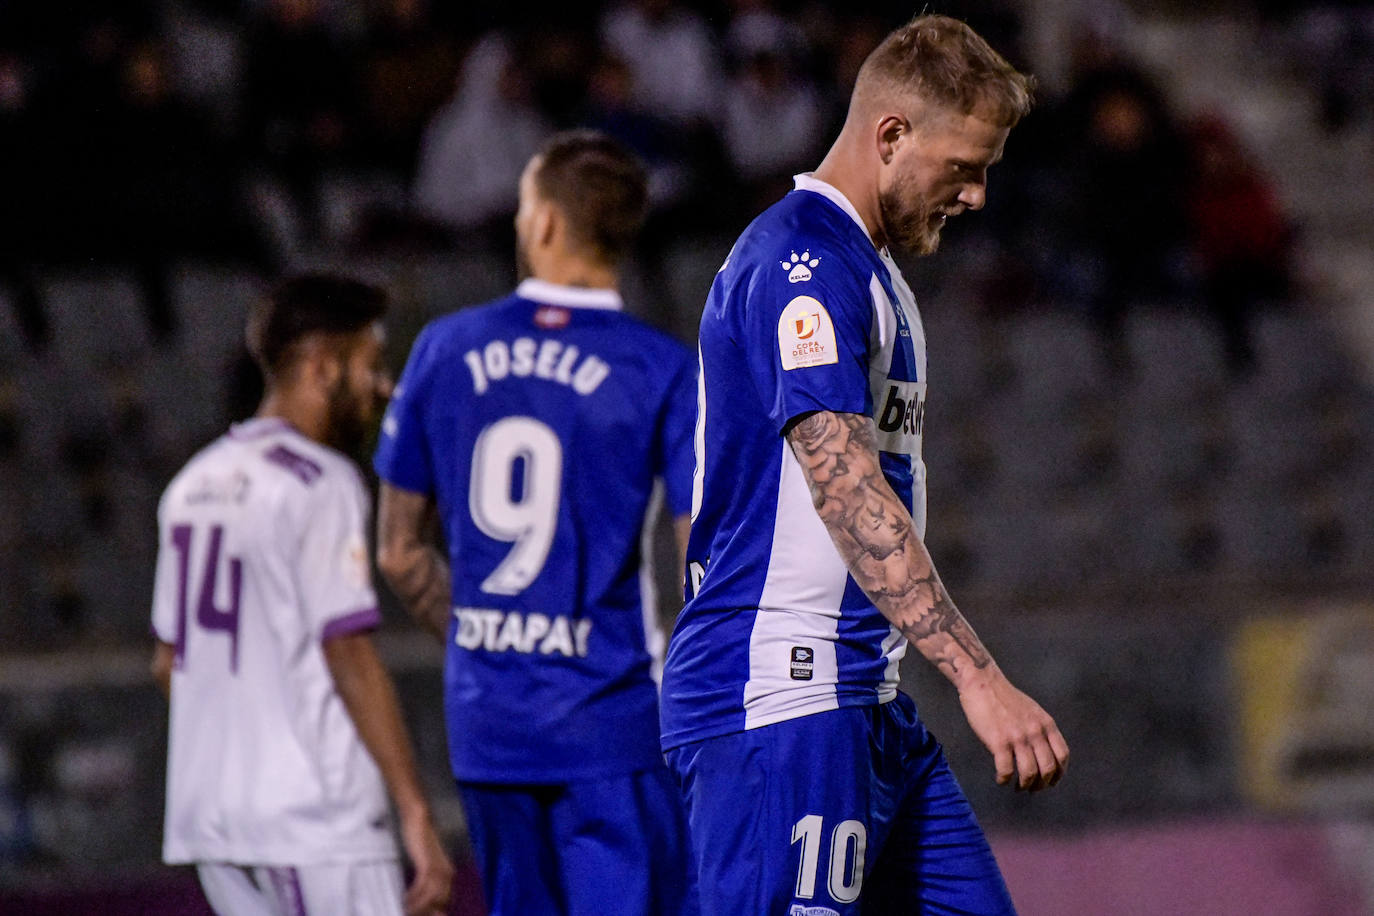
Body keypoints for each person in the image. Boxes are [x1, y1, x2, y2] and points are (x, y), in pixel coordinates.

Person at [659, 15, 1071, 914]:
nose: (976, 198)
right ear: (891, 136)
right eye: (965, 168)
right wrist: (979, 679)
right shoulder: (800, 264)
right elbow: (843, 486)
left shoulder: (868, 269)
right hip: (781, 699)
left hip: (864, 702)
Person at [374, 131, 698, 916]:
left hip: (488, 722)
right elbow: (705, 568)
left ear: (547, 223)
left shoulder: (443, 348)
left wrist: (490, 639)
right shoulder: (660, 369)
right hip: (611, 721)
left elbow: (397, 550)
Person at [150, 275, 453, 916]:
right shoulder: (323, 483)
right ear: (323, 366)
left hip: (216, 822)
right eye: (371, 365)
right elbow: (349, 654)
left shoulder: (190, 484)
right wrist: (416, 811)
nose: (384, 387)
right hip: (315, 820)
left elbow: (167, 664)